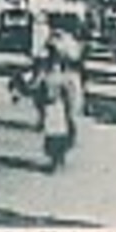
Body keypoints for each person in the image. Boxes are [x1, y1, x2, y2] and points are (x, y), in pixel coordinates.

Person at [39, 41, 84, 172]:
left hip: (59, 106)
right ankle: (56, 160)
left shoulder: (66, 75)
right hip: (52, 106)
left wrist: (70, 109)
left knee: (58, 132)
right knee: (53, 132)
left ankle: (58, 160)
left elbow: (71, 93)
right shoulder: (48, 71)